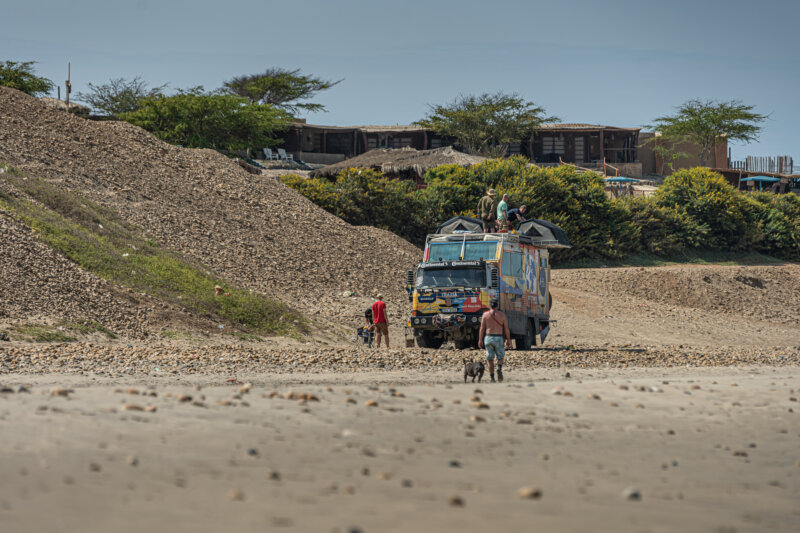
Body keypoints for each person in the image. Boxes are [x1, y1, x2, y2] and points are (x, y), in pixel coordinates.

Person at [478, 301, 511, 382]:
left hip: (488, 338)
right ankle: (499, 368)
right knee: (500, 356)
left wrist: (480, 340)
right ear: (497, 305)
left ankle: (492, 378)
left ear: (490, 305)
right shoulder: (502, 315)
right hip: (498, 338)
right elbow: (506, 328)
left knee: (490, 359)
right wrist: (508, 340)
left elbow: (482, 328)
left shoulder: (485, 315)